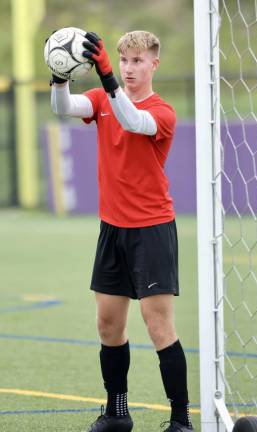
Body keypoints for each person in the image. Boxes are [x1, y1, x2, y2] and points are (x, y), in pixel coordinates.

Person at [50, 30, 194, 432]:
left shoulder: (162, 112)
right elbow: (63, 107)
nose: (130, 69)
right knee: (108, 325)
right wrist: (59, 74)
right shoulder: (100, 101)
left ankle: (181, 421)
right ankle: (117, 412)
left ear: (154, 64)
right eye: (124, 61)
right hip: (112, 228)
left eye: (137, 61)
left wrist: (109, 76)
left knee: (158, 325)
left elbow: (132, 120)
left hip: (151, 229)